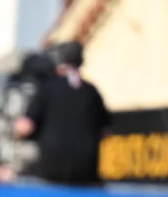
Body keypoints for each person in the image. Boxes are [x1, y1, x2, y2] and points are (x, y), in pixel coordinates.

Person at [14, 41, 111, 186]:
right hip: (87, 172)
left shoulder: (47, 87)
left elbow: (25, 127)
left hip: (51, 172)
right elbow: (105, 130)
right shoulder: (91, 91)